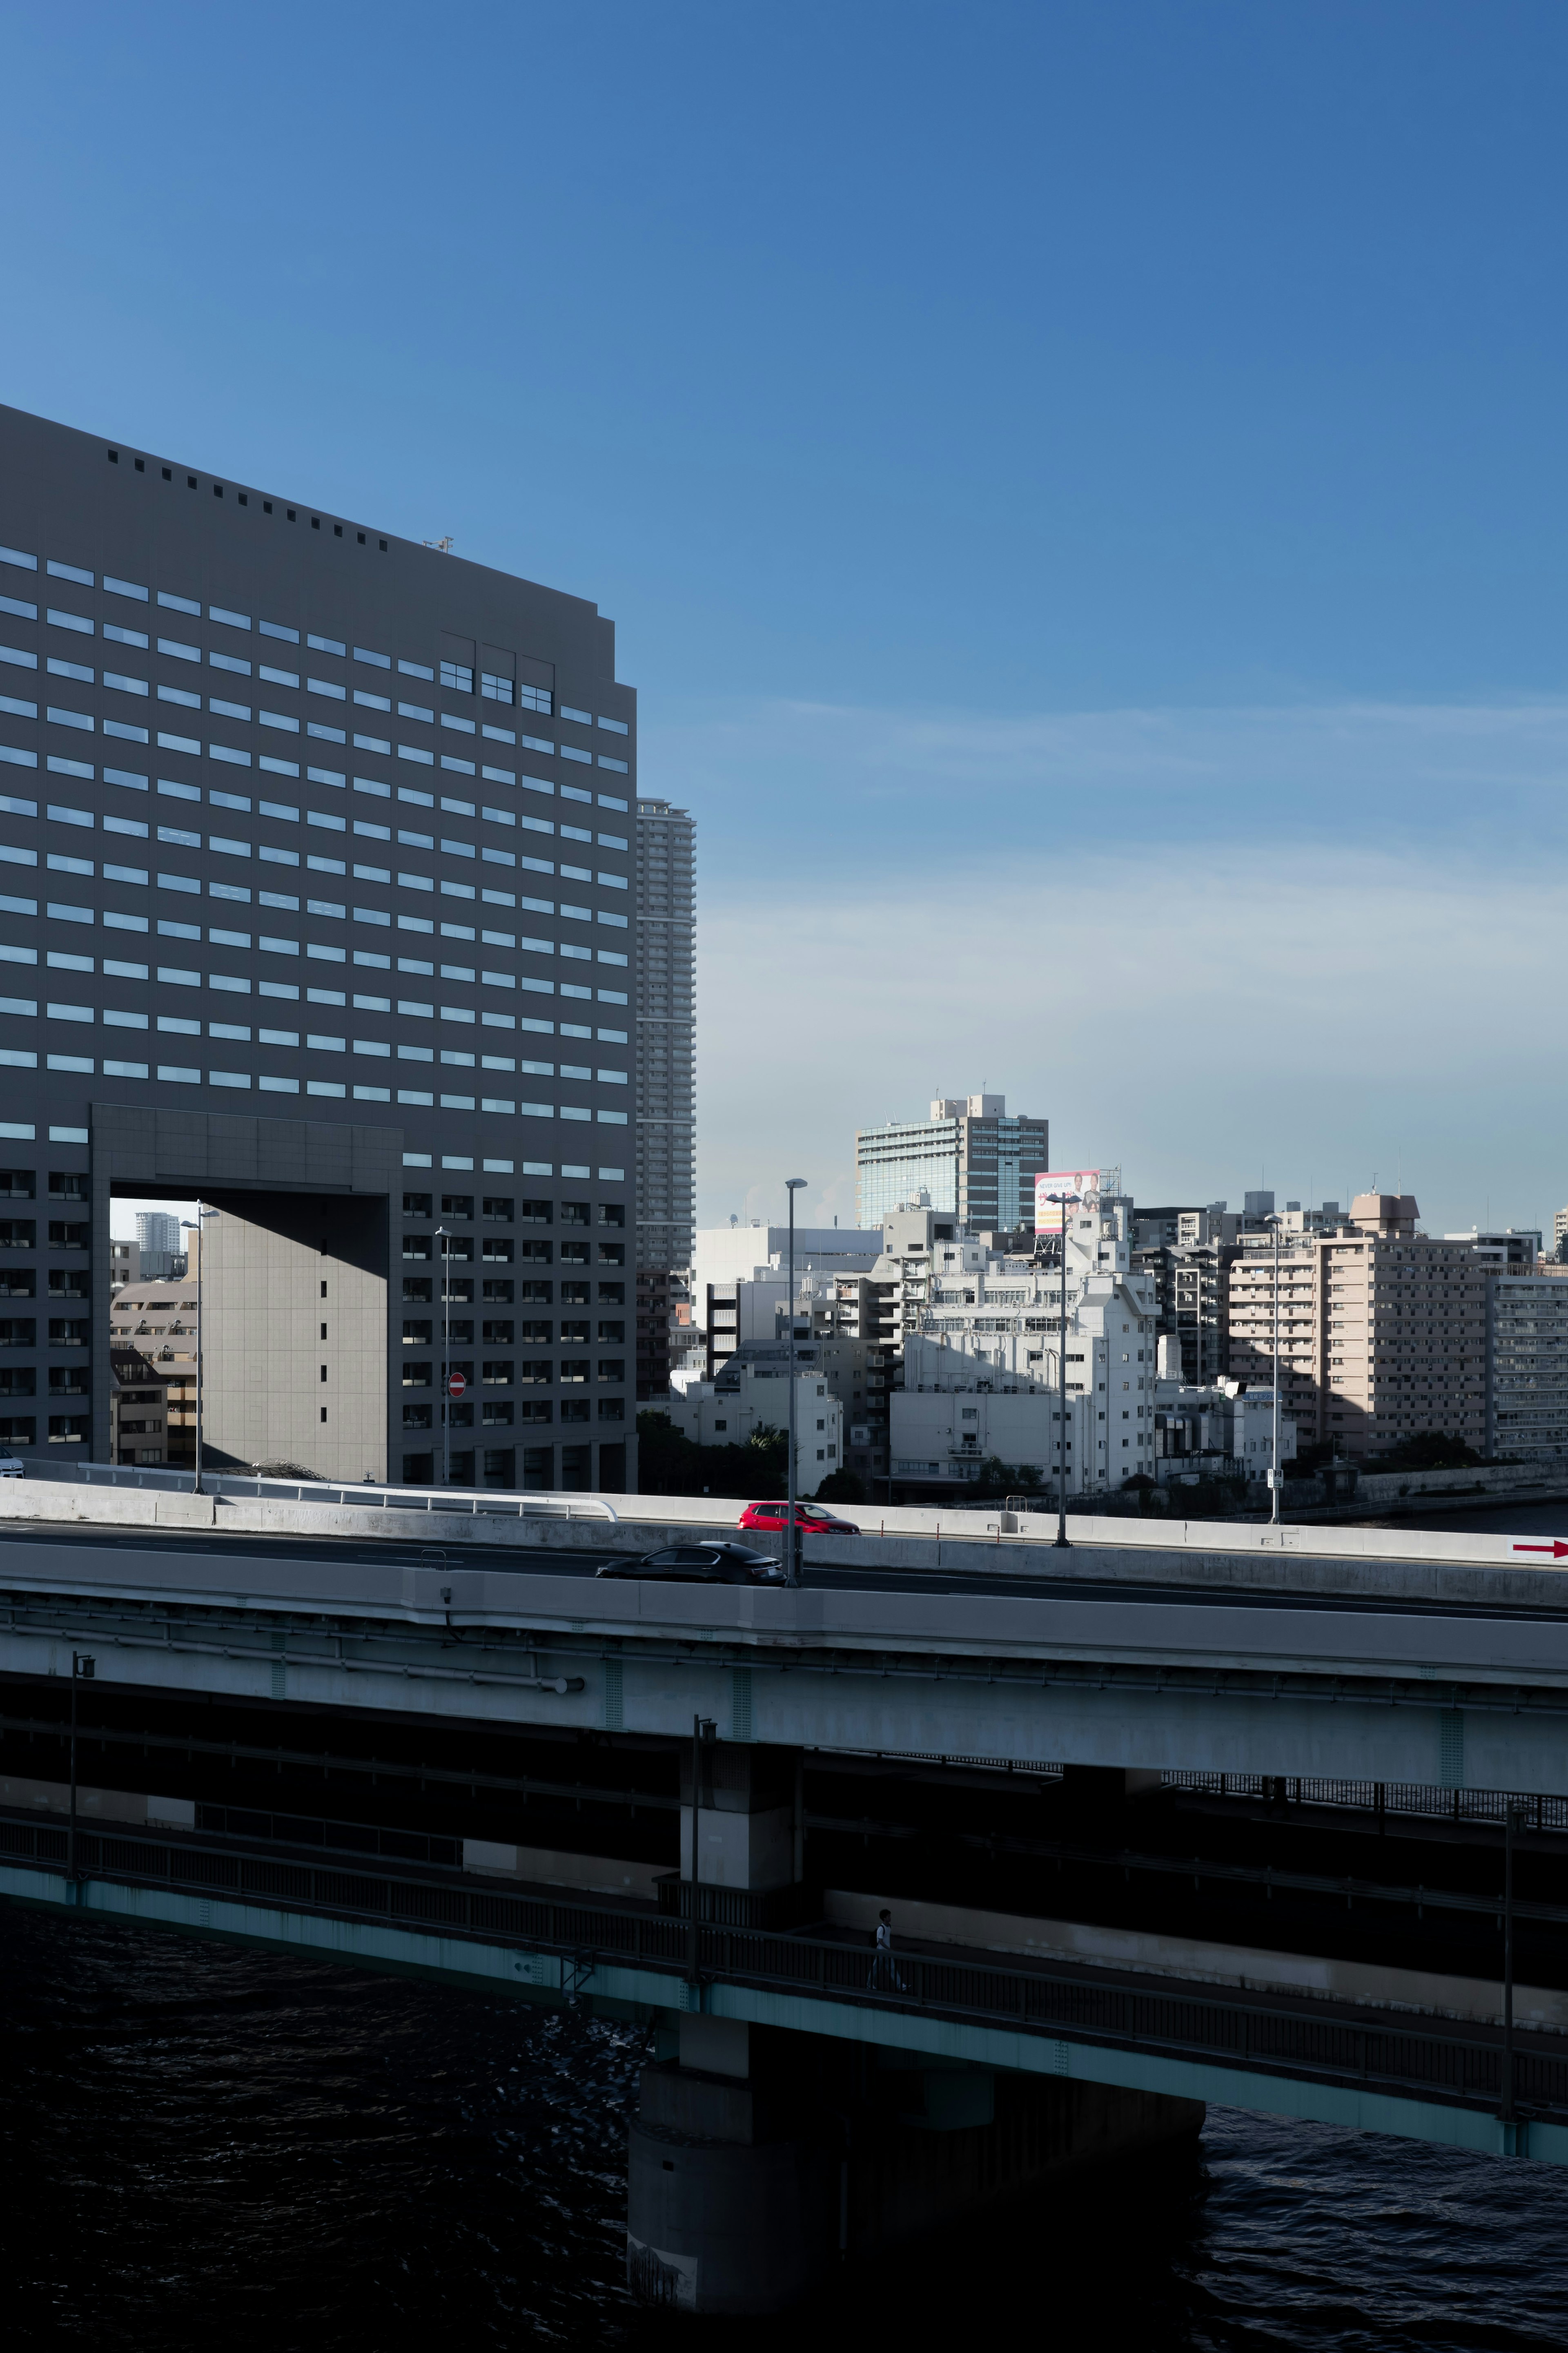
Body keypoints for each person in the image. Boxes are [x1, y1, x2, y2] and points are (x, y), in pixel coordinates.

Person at [866, 1907, 907, 1993]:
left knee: (892, 1969)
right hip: (881, 1952)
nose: (890, 1918)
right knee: (876, 1969)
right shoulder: (881, 1928)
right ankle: (869, 1984)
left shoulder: (889, 1927)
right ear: (884, 1918)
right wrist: (890, 1949)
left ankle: (901, 1985)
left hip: (886, 1952)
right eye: (889, 1916)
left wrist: (889, 1950)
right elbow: (880, 1942)